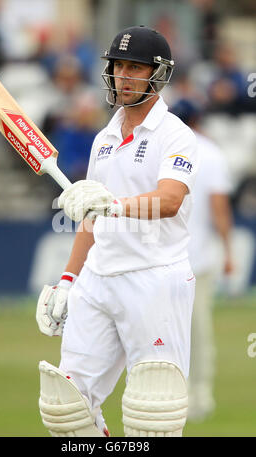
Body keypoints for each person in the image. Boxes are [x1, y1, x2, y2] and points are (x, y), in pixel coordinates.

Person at [36, 25, 199, 437]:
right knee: (65, 409)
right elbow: (90, 217)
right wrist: (68, 280)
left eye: (135, 68)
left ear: (157, 75)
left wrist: (114, 205)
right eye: (118, 66)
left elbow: (169, 200)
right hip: (97, 281)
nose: (123, 76)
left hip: (155, 278)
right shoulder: (104, 138)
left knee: (153, 414)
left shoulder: (175, 134)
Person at [171, 98, 234, 421]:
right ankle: (195, 393)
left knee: (178, 330)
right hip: (194, 258)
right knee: (195, 329)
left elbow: (218, 206)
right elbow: (219, 208)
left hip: (177, 258)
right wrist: (228, 251)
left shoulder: (172, 146)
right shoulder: (209, 151)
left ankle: (192, 394)